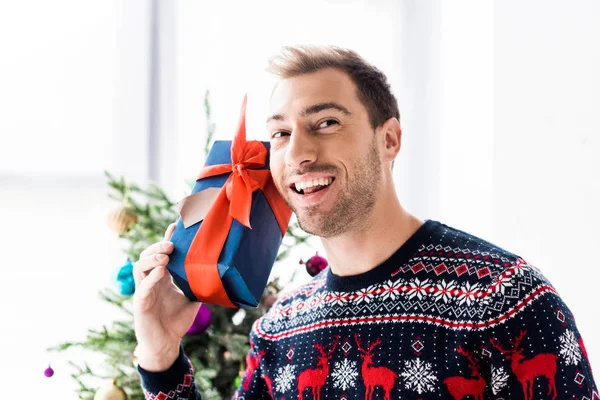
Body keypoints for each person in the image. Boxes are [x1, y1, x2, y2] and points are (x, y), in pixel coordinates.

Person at [134, 45, 598, 399]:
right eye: (280, 133)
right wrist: (161, 355)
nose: (297, 152)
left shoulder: (505, 299)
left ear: (390, 139)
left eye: (327, 123)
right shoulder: (278, 331)